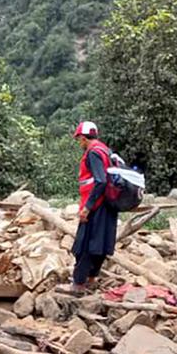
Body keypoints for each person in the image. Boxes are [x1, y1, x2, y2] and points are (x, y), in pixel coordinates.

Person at [64, 121, 118, 294]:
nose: (79, 143)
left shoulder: (93, 153)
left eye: (79, 139)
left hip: (96, 205)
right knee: (101, 244)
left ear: (83, 138)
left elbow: (100, 180)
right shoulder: (105, 150)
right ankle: (92, 279)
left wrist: (87, 207)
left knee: (85, 245)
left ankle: (78, 284)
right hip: (109, 204)